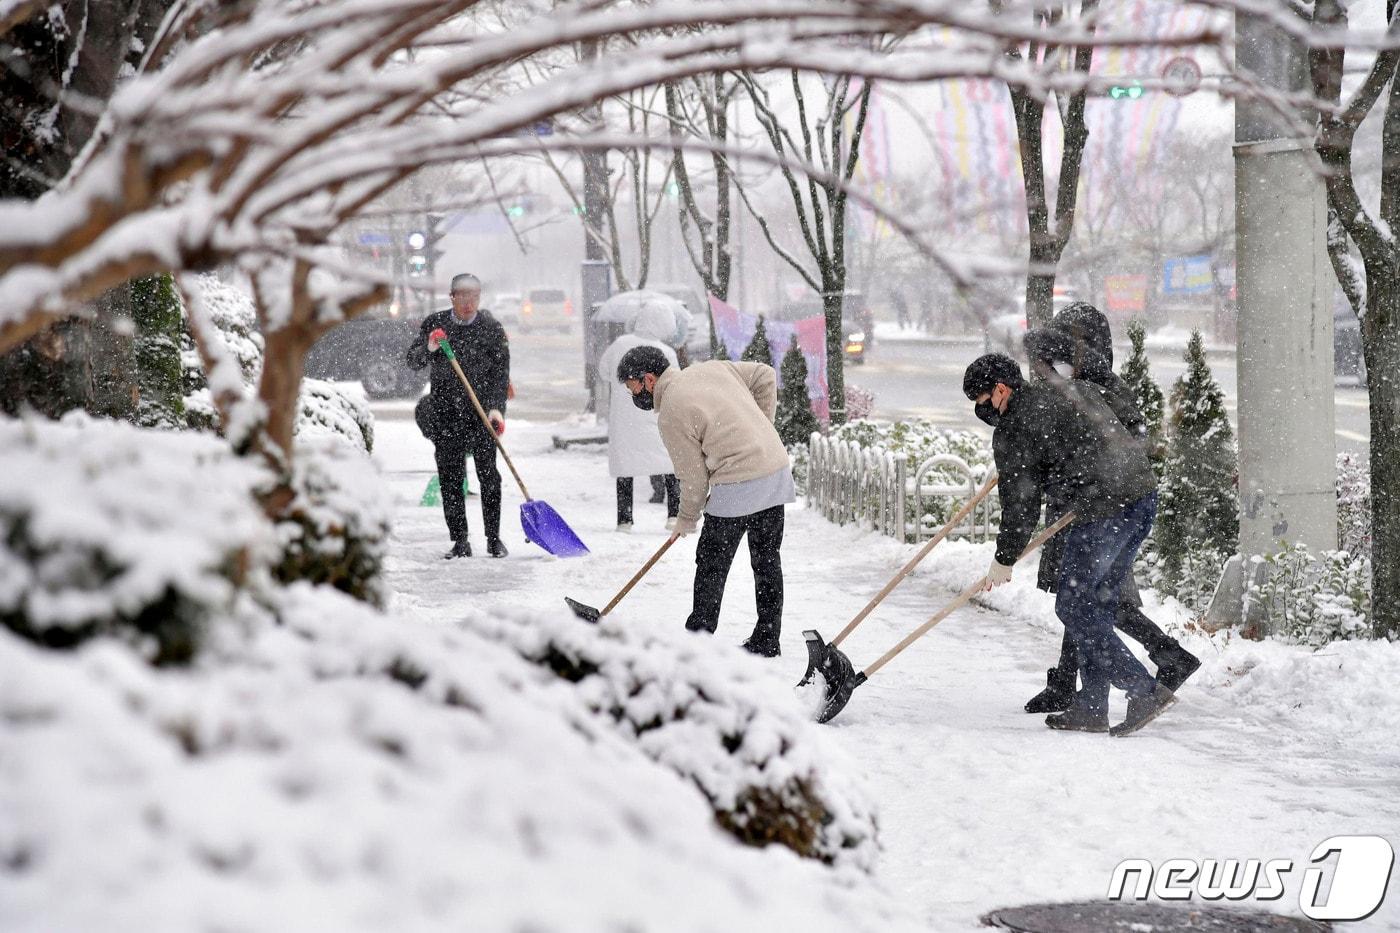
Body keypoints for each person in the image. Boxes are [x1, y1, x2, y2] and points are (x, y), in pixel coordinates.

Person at [963, 352, 1177, 736]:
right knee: (1097, 603)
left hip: (1102, 511)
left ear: (999, 390)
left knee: (1075, 606)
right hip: (1142, 496)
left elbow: (1021, 503)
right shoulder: (1067, 388)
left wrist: (1004, 558)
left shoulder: (1015, 427)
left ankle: (1142, 690)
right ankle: (1092, 707)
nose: (983, 411)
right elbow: (1124, 416)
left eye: (982, 402)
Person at [1019, 304, 1200, 713]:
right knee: (1088, 598)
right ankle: (1083, 685)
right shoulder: (1088, 387)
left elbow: (1115, 444)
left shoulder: (1099, 389)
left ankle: (1161, 656)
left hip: (1102, 506)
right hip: (1097, 503)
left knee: (1089, 600)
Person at [616, 346, 793, 657]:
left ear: (648, 379)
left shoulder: (671, 410)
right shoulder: (713, 368)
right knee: (766, 561)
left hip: (737, 482)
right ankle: (767, 639)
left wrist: (686, 518)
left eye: (633, 388)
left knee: (711, 563)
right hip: (774, 471)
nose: (635, 397)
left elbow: (694, 479)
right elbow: (766, 374)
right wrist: (761, 429)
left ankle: (697, 640)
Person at [408, 273, 510, 559]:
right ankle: (460, 539)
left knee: (489, 476)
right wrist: (430, 346)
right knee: (450, 478)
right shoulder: (435, 324)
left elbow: (500, 374)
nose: (468, 303)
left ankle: (494, 538)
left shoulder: (491, 328)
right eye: (462, 296)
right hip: (446, 414)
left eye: (474, 296)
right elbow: (412, 360)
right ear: (451, 297)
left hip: (481, 416)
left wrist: (496, 409)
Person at [596, 307, 681, 531]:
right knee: (669, 464)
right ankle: (674, 515)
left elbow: (604, 371)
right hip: (655, 419)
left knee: (626, 468)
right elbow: (676, 383)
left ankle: (624, 519)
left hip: (624, 422)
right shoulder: (667, 352)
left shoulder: (619, 345)